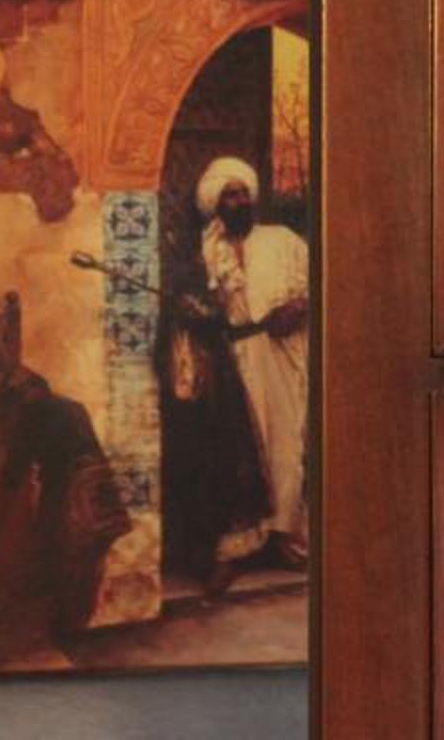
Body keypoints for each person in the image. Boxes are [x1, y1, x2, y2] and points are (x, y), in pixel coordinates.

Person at [192, 155, 308, 580]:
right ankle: (240, 546)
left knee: (286, 445)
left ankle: (284, 537)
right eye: (230, 195)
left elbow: (322, 282)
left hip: (280, 352)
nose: (240, 201)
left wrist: (299, 306)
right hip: (231, 359)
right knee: (238, 449)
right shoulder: (207, 250)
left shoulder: (282, 239)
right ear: (215, 203)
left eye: (244, 193)